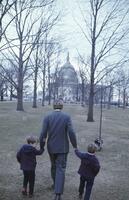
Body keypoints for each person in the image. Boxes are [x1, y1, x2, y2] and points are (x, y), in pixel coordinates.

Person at [40, 99, 77, 200]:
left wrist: (42, 146)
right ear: (62, 106)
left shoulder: (47, 117)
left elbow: (43, 134)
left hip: (51, 147)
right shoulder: (66, 117)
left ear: (53, 106)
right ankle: (58, 193)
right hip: (62, 148)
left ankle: (56, 185)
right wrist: (75, 145)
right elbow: (71, 132)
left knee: (53, 166)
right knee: (60, 168)